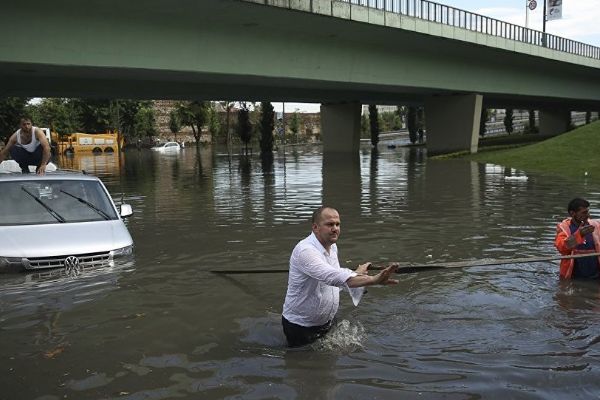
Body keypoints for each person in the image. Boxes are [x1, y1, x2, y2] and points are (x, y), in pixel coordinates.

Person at [282, 206, 398, 347]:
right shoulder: (305, 251)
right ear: (315, 227)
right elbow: (332, 277)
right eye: (330, 224)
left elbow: (335, 277)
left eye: (337, 224)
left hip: (327, 320)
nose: (335, 228)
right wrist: (373, 280)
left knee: (328, 365)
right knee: (302, 365)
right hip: (301, 325)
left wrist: (358, 274)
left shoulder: (332, 246)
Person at [554, 198, 600, 279]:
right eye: (584, 213)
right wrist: (580, 235)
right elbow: (562, 248)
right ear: (572, 213)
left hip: (596, 275)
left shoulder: (595, 225)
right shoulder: (564, 228)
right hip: (573, 276)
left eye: (588, 212)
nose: (588, 215)